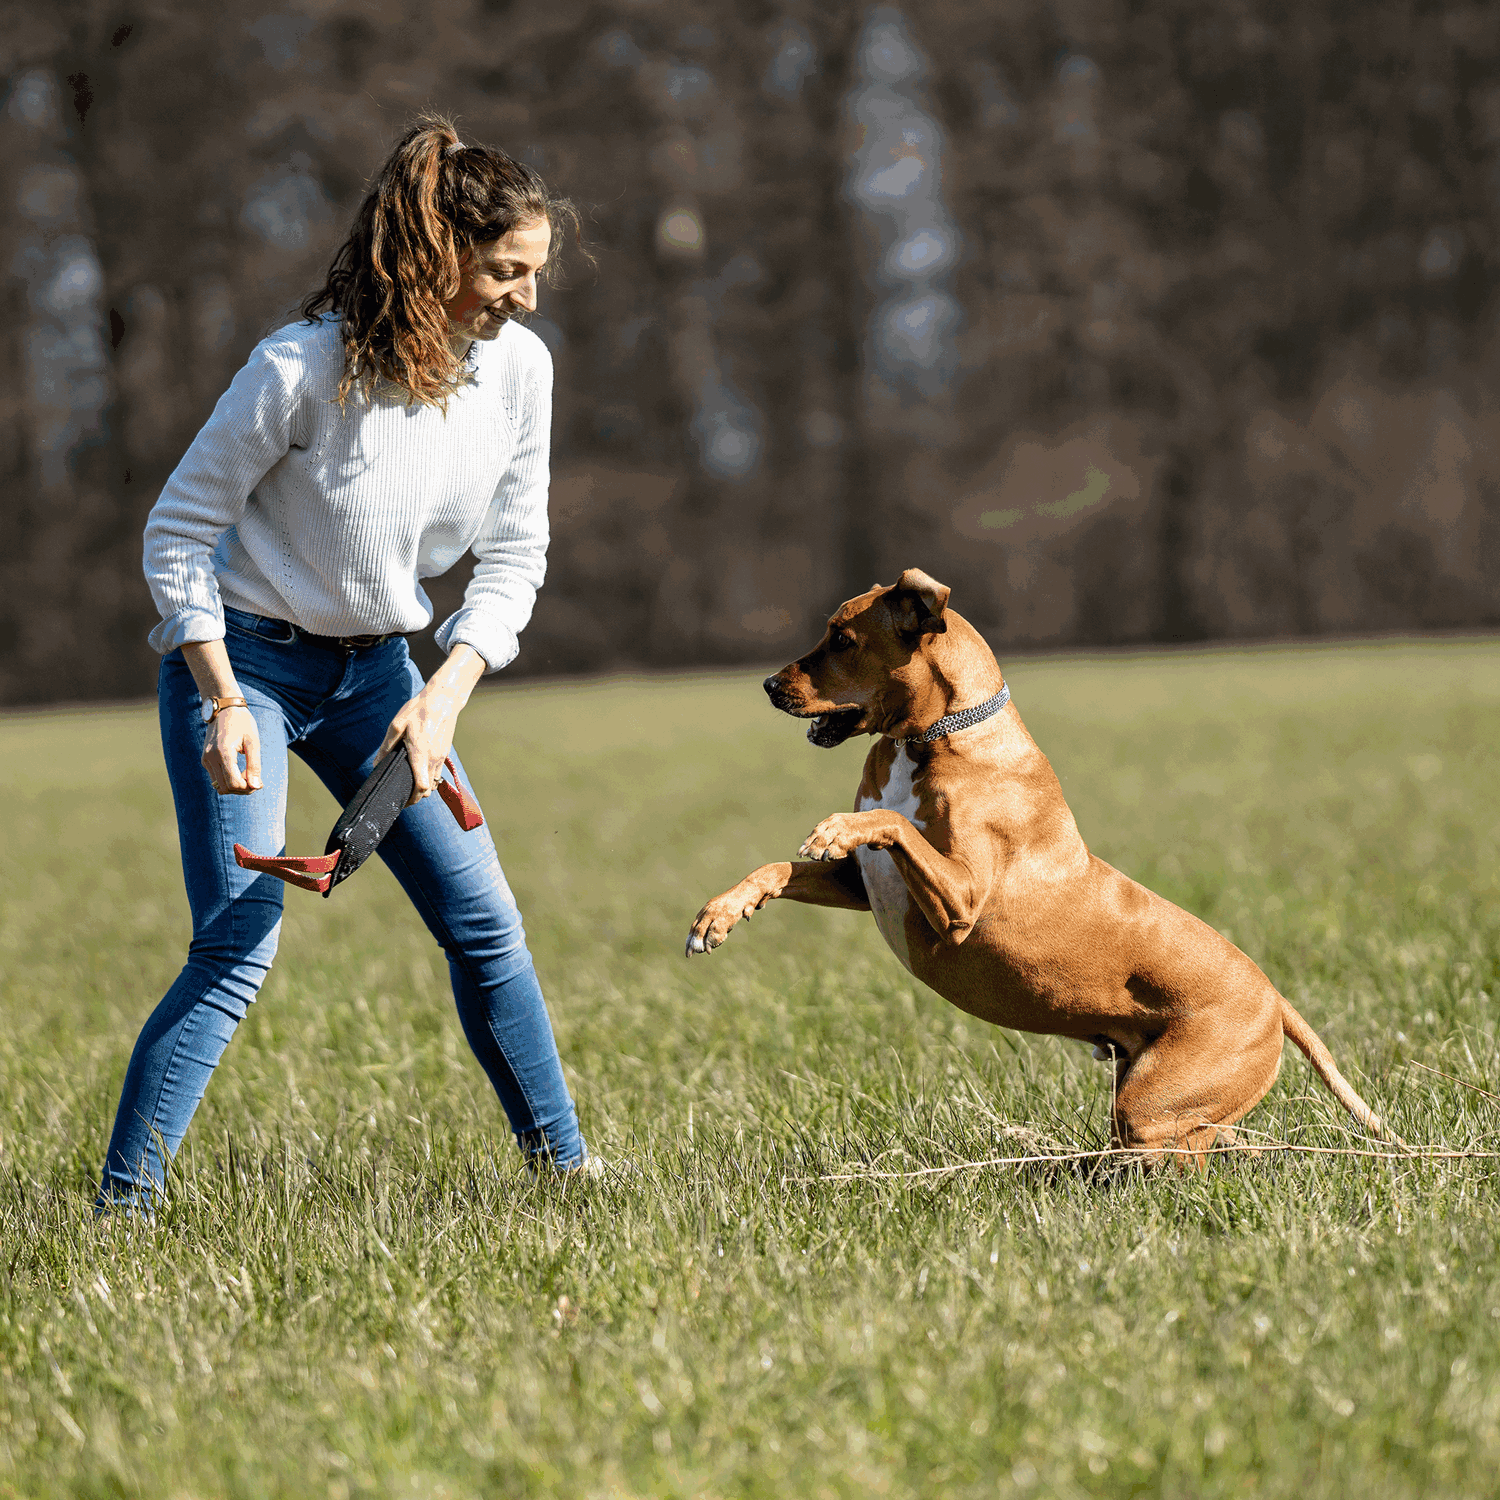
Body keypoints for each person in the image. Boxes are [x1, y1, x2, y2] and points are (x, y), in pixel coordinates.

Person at [100, 115, 593, 1209]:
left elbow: (517, 552)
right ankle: (119, 1213)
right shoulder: (299, 367)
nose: (525, 297)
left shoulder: (519, 372)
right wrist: (220, 695)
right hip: (248, 673)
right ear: (435, 256)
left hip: (383, 680)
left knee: (486, 924)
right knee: (240, 939)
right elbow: (177, 530)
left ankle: (569, 1173)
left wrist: (444, 698)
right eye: (505, 271)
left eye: (535, 273)